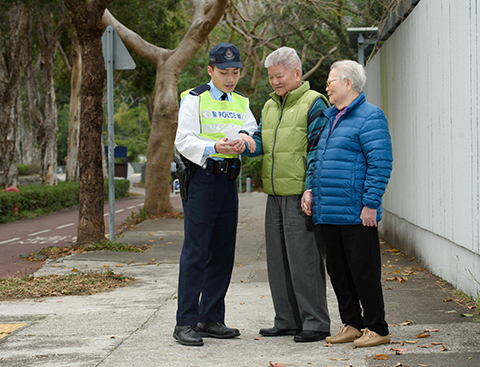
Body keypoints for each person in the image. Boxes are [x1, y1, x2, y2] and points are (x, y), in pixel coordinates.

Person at [243, 47, 331, 343]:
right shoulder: (269, 106)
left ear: (296, 73)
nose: (274, 82)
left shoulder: (314, 103)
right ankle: (287, 320)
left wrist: (310, 188)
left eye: (279, 76)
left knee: (304, 260)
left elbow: (319, 149)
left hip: (299, 195)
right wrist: (245, 143)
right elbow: (261, 139)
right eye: (270, 77)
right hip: (274, 194)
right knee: (278, 261)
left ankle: (316, 323)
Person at [173, 42, 257, 346]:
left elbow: (252, 130)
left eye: (235, 72)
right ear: (211, 71)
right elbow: (183, 140)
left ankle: (210, 317)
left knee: (223, 251)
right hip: (202, 179)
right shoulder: (194, 99)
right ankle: (185, 322)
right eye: (224, 72)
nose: (230, 78)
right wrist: (214, 148)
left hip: (228, 181)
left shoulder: (241, 102)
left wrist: (246, 139)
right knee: (196, 251)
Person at [304, 60, 393, 347]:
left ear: (347, 83)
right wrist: (310, 190)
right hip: (327, 211)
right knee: (339, 272)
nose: (326, 85)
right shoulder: (330, 117)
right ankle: (352, 323)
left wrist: (370, 203)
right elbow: (318, 160)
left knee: (363, 271)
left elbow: (380, 164)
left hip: (356, 213)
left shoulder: (370, 117)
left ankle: (377, 327)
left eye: (331, 80)